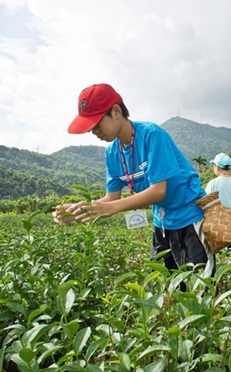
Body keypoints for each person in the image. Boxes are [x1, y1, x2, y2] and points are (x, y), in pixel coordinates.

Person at [52, 83, 214, 278]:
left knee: (200, 289)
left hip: (190, 220)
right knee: (167, 289)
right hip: (162, 224)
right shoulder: (112, 153)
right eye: (90, 128)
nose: (94, 131)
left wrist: (111, 209)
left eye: (97, 124)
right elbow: (111, 198)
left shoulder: (152, 135)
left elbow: (158, 190)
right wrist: (82, 209)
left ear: (116, 112)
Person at [205, 152, 231, 251]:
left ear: (217, 167)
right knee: (230, 250)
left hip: (217, 224)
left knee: (217, 252)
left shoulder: (213, 183)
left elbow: (206, 205)